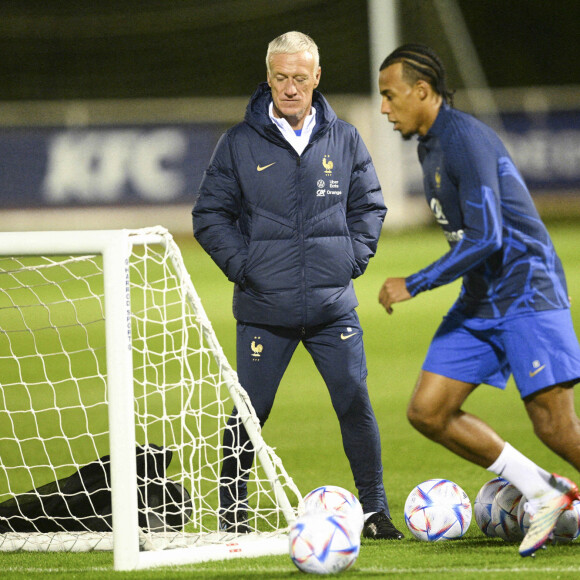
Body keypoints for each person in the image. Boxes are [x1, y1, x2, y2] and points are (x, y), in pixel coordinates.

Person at [192, 31, 403, 540]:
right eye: (281, 78)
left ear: (317, 78)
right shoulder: (239, 143)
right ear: (269, 78)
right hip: (266, 308)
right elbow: (209, 215)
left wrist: (351, 259)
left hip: (333, 307)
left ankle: (373, 511)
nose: (290, 88)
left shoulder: (345, 138)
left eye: (300, 79)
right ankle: (232, 519)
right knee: (249, 414)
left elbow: (370, 205)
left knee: (354, 400)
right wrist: (247, 268)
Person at [377, 43, 580, 556]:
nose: (384, 107)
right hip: (483, 299)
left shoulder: (465, 140)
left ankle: (551, 493)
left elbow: (487, 236)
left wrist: (414, 282)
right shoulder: (429, 143)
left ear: (422, 92)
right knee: (429, 411)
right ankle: (543, 492)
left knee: (554, 426)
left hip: (527, 291)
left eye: (389, 95)